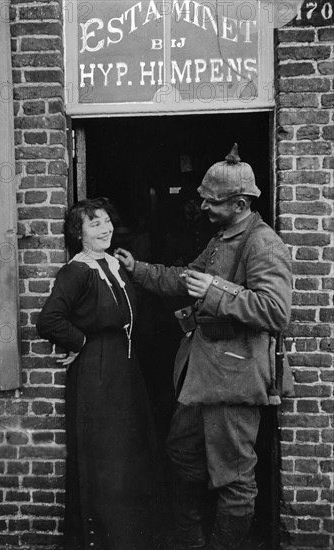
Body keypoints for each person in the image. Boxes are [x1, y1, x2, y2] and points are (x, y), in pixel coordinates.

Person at [115, 144, 294, 550]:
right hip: (201, 377)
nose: (203, 207)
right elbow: (184, 279)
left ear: (240, 203)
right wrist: (138, 269)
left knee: (233, 478)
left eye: (213, 201)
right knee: (183, 457)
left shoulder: (262, 243)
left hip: (235, 380)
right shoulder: (222, 237)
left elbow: (276, 311)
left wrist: (214, 293)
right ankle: (191, 541)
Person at [36, 198, 159, 550]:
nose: (105, 229)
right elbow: (49, 320)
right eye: (95, 224)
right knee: (107, 455)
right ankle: (106, 538)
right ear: (79, 233)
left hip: (123, 367)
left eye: (106, 222)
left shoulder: (114, 264)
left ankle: (131, 534)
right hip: (97, 373)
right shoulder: (76, 271)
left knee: (129, 452)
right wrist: (79, 341)